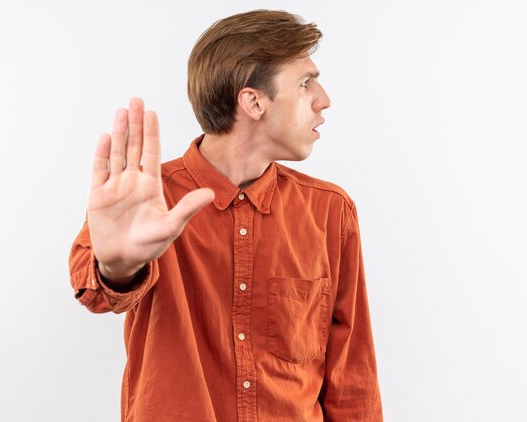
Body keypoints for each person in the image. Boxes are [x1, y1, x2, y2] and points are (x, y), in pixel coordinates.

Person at [69, 9, 382, 421]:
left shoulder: (329, 211)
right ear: (253, 101)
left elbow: (351, 375)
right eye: (306, 83)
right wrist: (116, 267)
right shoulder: (147, 198)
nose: (323, 100)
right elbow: (96, 293)